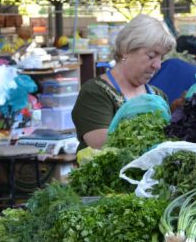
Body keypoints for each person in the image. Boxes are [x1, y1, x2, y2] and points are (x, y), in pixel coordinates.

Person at [71, 14, 174, 149]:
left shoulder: (157, 96)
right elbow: (103, 146)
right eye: (151, 56)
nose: (157, 65)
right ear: (126, 50)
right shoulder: (95, 93)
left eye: (161, 57)